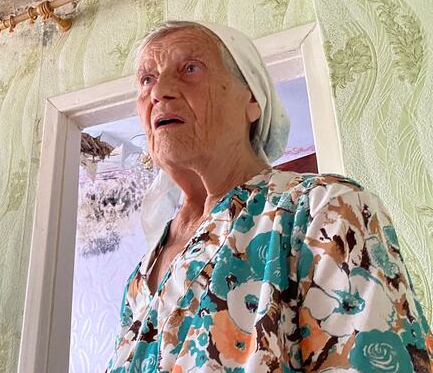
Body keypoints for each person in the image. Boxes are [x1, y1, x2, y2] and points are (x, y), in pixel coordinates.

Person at [106, 21, 433, 372]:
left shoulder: (324, 210)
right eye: (147, 79)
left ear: (251, 99)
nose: (159, 92)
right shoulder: (142, 276)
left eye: (190, 68)